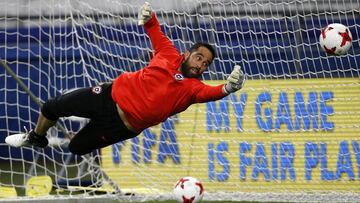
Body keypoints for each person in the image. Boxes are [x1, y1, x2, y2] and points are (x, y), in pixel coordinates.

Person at [5, 2, 245, 155]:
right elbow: (154, 30)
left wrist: (228, 87)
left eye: (206, 63)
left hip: (121, 126)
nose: (201, 64)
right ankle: (36, 137)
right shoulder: (168, 52)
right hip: (108, 96)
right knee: (51, 107)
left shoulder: (194, 89)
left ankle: (80, 134)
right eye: (199, 57)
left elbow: (213, 92)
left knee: (77, 148)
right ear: (187, 53)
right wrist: (148, 15)